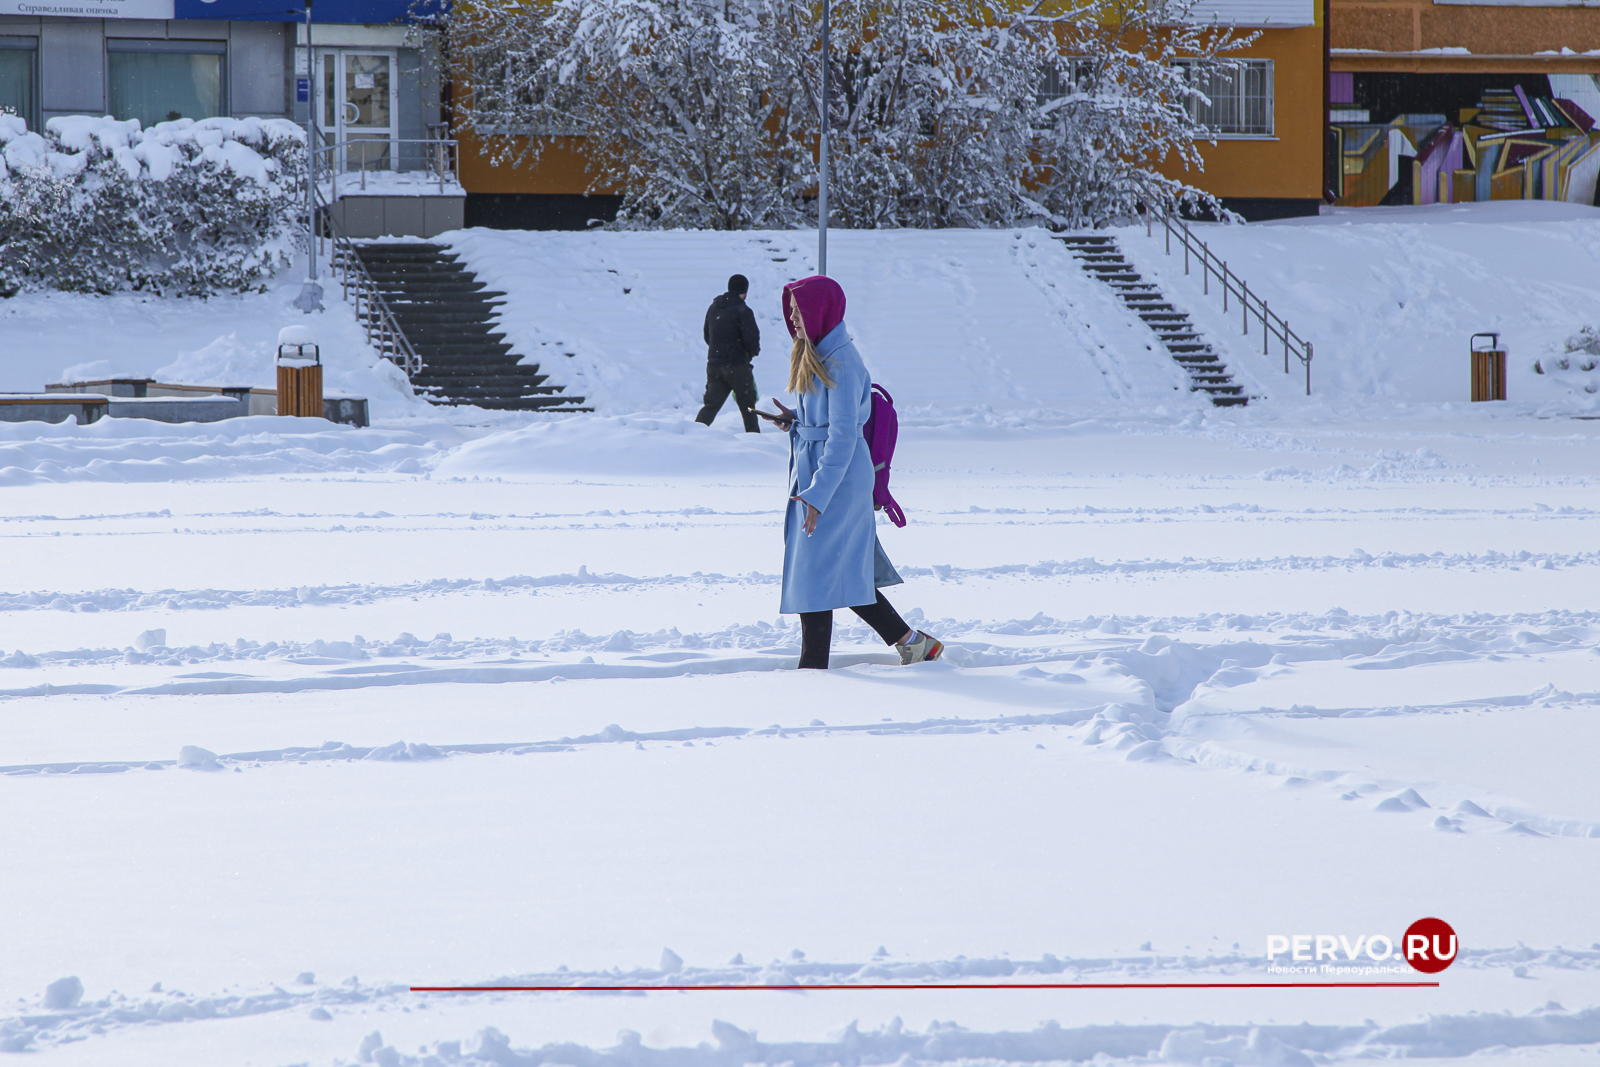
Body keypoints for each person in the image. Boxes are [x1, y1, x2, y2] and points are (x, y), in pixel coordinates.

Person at [764, 275, 942, 670]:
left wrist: (817, 494)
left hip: (837, 480)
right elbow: (830, 424)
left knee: (818, 572)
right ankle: (913, 643)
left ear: (818, 311)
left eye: (797, 311)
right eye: (790, 312)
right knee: (837, 569)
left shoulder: (842, 362)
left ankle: (812, 670)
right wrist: (796, 421)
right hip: (821, 474)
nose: (792, 319)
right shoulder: (820, 356)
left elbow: (843, 438)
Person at [696, 273, 761, 433]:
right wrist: (752, 352)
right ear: (744, 291)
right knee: (748, 408)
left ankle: (694, 434)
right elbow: (751, 338)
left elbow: (707, 335)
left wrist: (719, 352)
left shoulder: (714, 307)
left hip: (715, 364)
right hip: (737, 365)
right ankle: (755, 442)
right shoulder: (743, 310)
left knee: (710, 406)